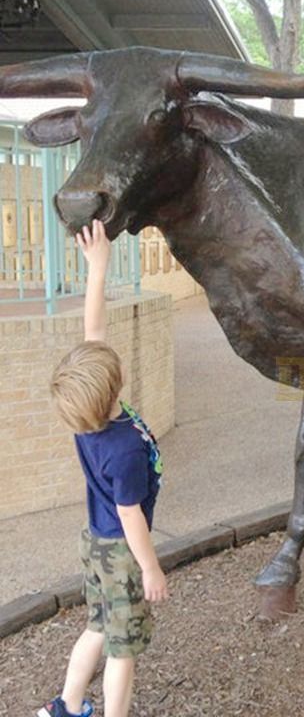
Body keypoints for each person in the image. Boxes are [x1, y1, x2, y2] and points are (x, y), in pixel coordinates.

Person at [40, 220, 167, 717]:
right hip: (120, 552)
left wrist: (99, 267)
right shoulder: (123, 451)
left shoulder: (88, 418)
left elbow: (94, 331)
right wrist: (151, 567)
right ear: (114, 387)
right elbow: (131, 513)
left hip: (95, 542)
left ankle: (67, 706)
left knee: (97, 625)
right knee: (123, 649)